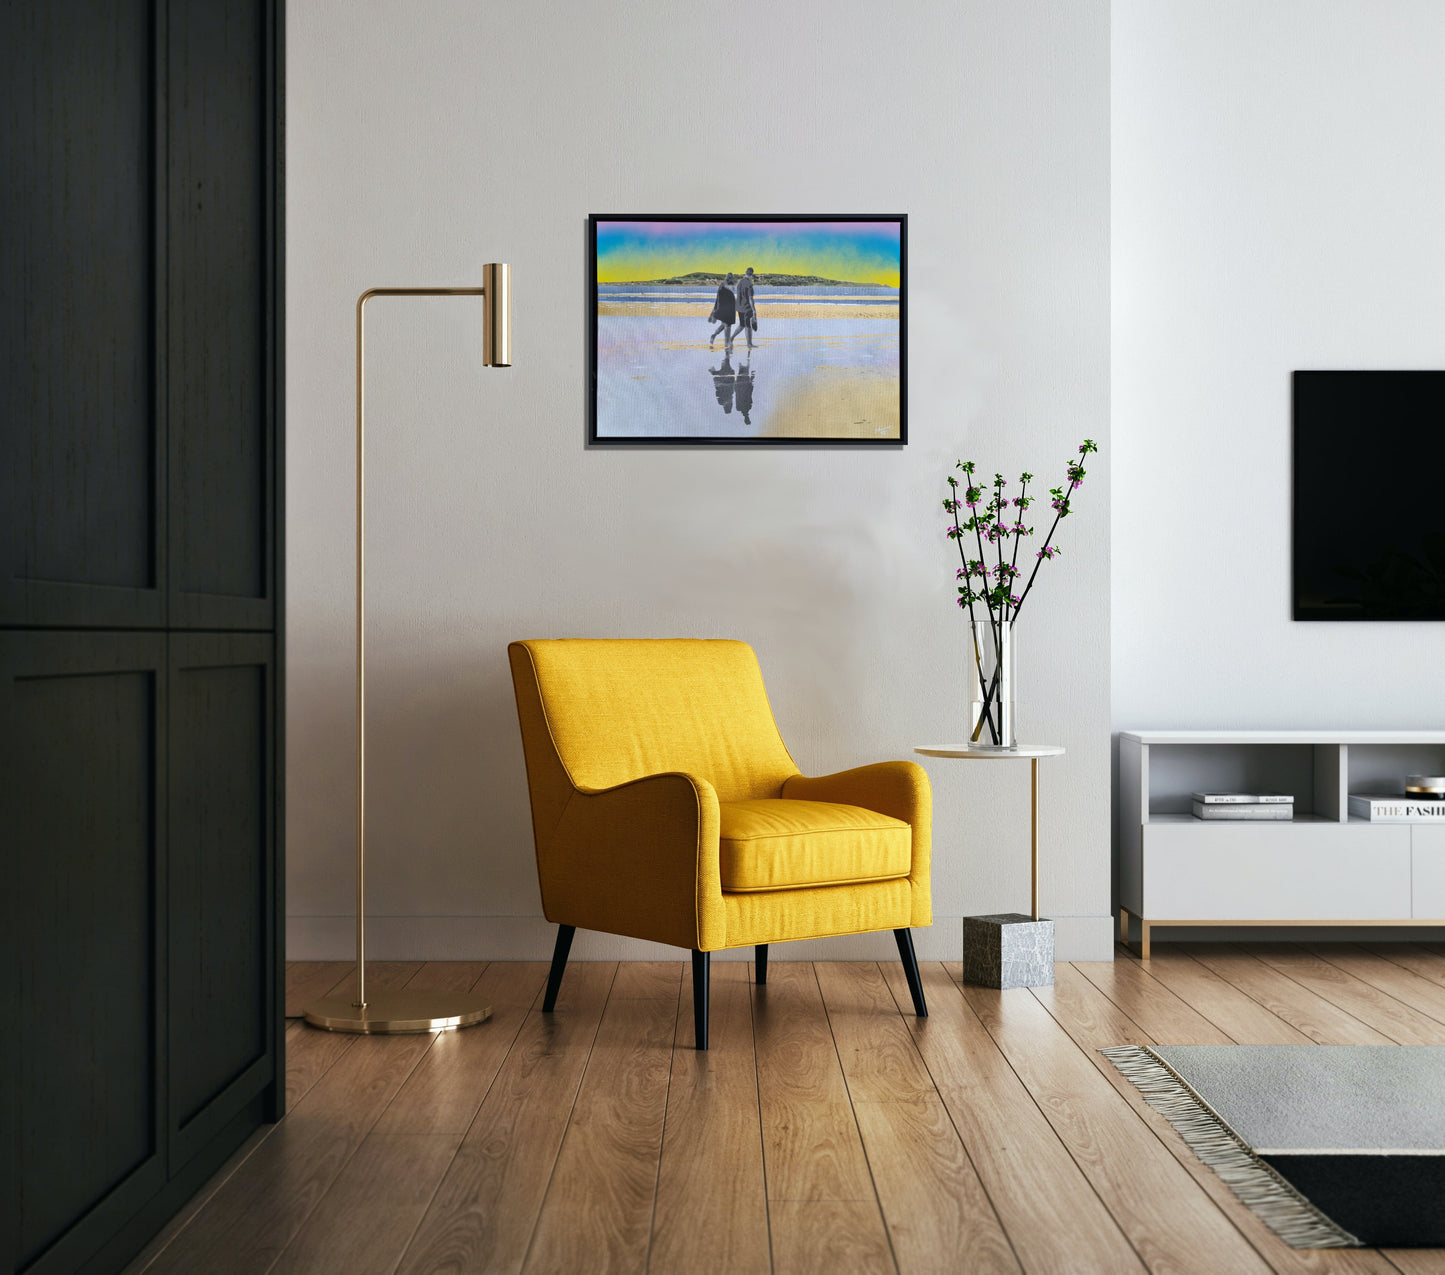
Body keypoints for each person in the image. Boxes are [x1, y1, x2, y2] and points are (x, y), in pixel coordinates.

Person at [708, 272, 737, 346]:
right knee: (727, 326)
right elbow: (718, 299)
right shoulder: (723, 285)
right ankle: (727, 344)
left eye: (731, 277)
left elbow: (732, 298)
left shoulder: (730, 286)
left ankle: (714, 335)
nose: (730, 278)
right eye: (730, 277)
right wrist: (714, 311)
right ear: (728, 278)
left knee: (725, 325)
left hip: (730, 308)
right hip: (725, 308)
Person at [734, 266, 757, 349]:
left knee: (742, 324)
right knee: (748, 326)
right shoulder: (749, 284)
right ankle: (749, 344)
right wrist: (754, 310)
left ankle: (731, 338)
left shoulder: (740, 282)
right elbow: (750, 299)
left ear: (745, 272)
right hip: (746, 307)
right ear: (751, 274)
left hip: (739, 307)